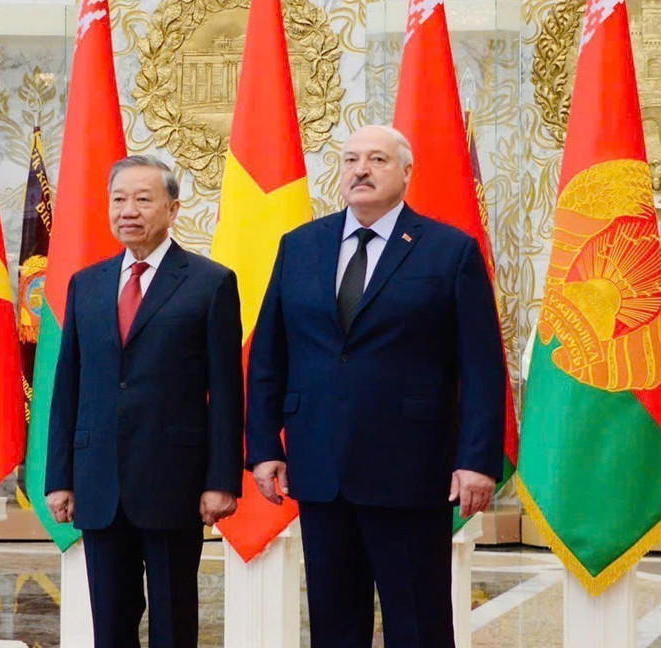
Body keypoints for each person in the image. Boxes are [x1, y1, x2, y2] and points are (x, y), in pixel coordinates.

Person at [246, 125, 505, 648]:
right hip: (318, 466)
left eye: (378, 159)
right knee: (334, 624)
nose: (360, 170)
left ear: (407, 173)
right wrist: (264, 447)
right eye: (350, 160)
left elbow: (481, 366)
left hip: (410, 468)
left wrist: (477, 458)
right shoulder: (300, 246)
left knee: (418, 623)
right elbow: (269, 354)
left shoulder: (448, 251)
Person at [45, 155, 244, 648]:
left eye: (142, 198)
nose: (127, 210)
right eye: (118, 199)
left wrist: (222, 480)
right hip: (98, 480)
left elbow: (226, 392)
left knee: (174, 622)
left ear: (173, 209)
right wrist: (60, 476)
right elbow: (68, 383)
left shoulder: (210, 282)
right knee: (109, 624)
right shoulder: (85, 284)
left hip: (173, 480)